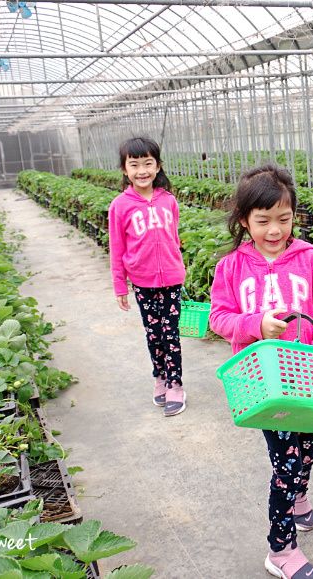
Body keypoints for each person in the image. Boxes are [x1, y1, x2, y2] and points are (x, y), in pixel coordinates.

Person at [209, 164, 313, 579]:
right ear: (244, 220)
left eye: (283, 219)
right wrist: (255, 325)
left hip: (308, 375)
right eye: (263, 221)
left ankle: (299, 499)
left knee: (308, 447)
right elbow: (219, 318)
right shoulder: (231, 267)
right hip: (261, 382)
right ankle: (281, 550)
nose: (273, 230)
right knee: (285, 463)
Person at [108, 136, 188, 416]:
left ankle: (176, 384)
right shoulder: (120, 205)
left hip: (172, 279)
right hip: (142, 282)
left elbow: (174, 237)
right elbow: (117, 248)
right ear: (124, 169)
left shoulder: (168, 200)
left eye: (147, 163)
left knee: (171, 333)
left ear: (157, 166)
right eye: (134, 164)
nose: (142, 170)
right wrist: (120, 285)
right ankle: (160, 378)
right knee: (154, 334)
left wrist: (179, 265)